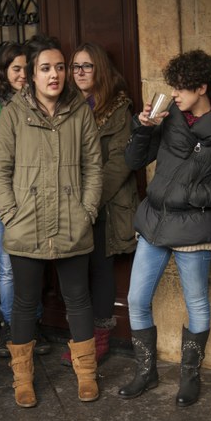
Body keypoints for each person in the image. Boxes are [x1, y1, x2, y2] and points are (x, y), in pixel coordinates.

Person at [120, 50, 211, 406]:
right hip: (154, 221)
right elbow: (134, 160)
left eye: (181, 88)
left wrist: (196, 194)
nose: (174, 94)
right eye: (173, 86)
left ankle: (190, 378)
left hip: (194, 229)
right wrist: (143, 128)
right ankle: (146, 373)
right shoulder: (169, 118)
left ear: (202, 88)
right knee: (136, 299)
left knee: (196, 303)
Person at [0, 35, 103, 407]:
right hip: (26, 223)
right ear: (32, 75)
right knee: (24, 303)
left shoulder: (80, 111)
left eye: (59, 67)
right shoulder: (13, 114)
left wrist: (87, 211)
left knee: (78, 299)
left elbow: (93, 167)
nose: (54, 74)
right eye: (45, 68)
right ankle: (22, 379)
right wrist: (10, 214)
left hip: (72, 221)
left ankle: (86, 374)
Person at [0, 43, 56, 357]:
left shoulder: (40, 103)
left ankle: (32, 324)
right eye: (15, 69)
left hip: (34, 198)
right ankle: (12, 327)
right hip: (0, 199)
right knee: (9, 267)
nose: (21, 75)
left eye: (26, 68)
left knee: (33, 264)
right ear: (4, 71)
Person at [60, 42, 138, 367]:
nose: (79, 72)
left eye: (87, 66)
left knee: (100, 271)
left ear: (100, 69)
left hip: (104, 204)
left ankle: (100, 338)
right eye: (75, 66)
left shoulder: (118, 109)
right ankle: (81, 339)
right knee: (74, 273)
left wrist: (89, 200)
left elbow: (120, 162)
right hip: (68, 202)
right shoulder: (63, 105)